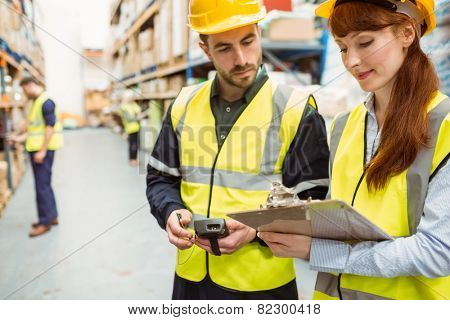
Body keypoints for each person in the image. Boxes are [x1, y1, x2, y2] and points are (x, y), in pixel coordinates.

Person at [258, 0, 450, 300]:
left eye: (365, 42)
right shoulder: (343, 127)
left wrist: (316, 251)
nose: (351, 61)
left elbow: (438, 251)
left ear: (407, 33)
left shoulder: (444, 126)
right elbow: (341, 222)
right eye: (343, 48)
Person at [146, 0, 330, 300]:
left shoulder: (296, 109)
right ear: (205, 49)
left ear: (259, 31)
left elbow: (313, 201)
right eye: (224, 48)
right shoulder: (184, 104)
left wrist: (256, 229)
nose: (242, 58)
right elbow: (160, 178)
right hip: (191, 278)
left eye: (248, 41)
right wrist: (170, 210)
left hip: (261, 286)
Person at [8, 76, 63, 237]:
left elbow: (49, 127)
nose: (24, 94)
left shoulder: (46, 102)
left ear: (30, 85)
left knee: (41, 187)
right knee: (45, 184)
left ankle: (44, 222)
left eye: (24, 90)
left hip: (42, 151)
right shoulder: (36, 101)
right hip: (37, 148)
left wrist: (42, 151)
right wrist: (17, 136)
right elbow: (31, 125)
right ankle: (52, 216)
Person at [119, 90, 142, 166]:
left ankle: (134, 159)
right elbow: (129, 119)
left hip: (137, 127)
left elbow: (138, 110)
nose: (132, 99)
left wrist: (138, 115)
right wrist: (137, 117)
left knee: (136, 144)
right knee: (132, 145)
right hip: (130, 128)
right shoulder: (124, 107)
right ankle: (132, 159)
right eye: (130, 97)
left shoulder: (134, 105)